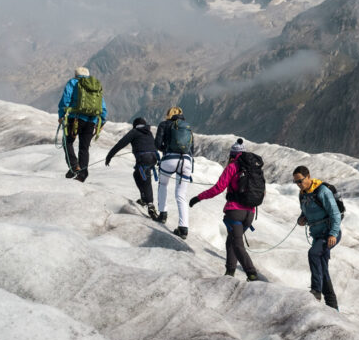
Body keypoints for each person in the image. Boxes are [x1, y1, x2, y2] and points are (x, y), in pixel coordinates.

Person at [189, 139, 259, 281]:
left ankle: (251, 273)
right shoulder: (255, 169)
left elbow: (218, 188)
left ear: (233, 155)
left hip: (235, 213)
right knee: (231, 240)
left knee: (237, 244)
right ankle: (230, 272)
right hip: (250, 214)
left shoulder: (233, 167)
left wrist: (198, 198)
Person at [293, 165, 340, 310]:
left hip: (329, 234)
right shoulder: (303, 194)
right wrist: (302, 219)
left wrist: (333, 233)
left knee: (313, 253)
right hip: (318, 235)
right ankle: (333, 308)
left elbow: (335, 214)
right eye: (296, 182)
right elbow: (306, 213)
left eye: (300, 181)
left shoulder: (322, 191)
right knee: (323, 270)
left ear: (308, 177)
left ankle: (316, 291)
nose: (298, 185)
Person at [58, 66, 107, 183]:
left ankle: (74, 167)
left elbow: (65, 100)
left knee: (68, 142)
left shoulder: (73, 82)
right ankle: (82, 174)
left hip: (75, 119)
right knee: (84, 148)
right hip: (92, 120)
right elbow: (102, 106)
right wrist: (102, 121)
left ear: (76, 74)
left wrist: (61, 115)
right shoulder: (95, 85)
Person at [104, 117, 159, 219]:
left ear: (135, 125)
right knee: (139, 175)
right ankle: (144, 199)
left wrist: (109, 155)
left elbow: (121, 143)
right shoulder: (149, 132)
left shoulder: (134, 132)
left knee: (145, 179)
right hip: (153, 158)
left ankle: (150, 204)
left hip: (143, 158)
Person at [155, 106, 195, 238]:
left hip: (170, 159)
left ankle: (162, 214)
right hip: (186, 161)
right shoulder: (187, 127)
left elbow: (157, 144)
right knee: (181, 195)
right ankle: (183, 228)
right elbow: (192, 148)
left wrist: (165, 149)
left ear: (169, 114)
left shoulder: (164, 124)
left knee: (163, 185)